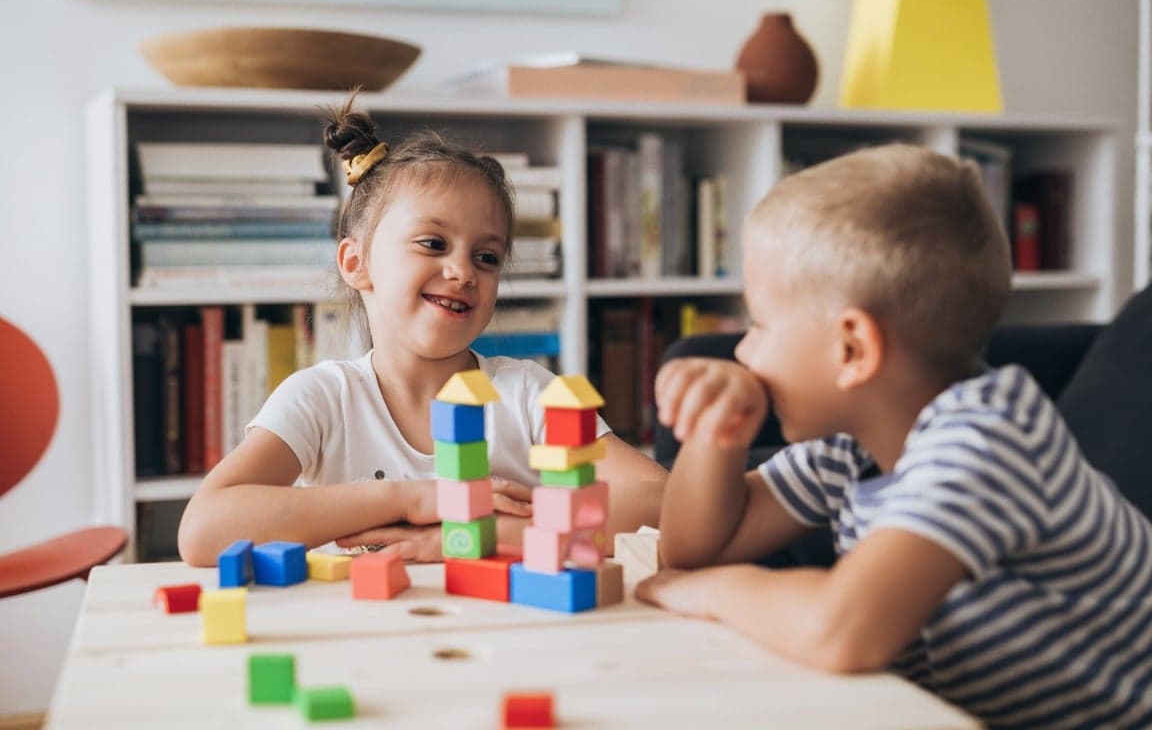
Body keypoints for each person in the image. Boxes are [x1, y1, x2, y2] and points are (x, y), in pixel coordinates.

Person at [635, 144, 1152, 728]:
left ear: (852, 349)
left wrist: (709, 594)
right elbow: (691, 551)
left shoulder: (985, 445)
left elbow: (841, 630)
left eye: (759, 323)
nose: (743, 351)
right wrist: (718, 434)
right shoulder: (853, 444)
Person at [179, 95, 666, 566]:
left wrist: (486, 534)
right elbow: (204, 530)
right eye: (433, 244)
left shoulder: (528, 394)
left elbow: (660, 500)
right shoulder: (321, 398)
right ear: (356, 262)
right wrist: (413, 499)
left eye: (487, 257)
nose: (464, 271)